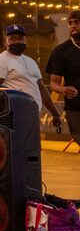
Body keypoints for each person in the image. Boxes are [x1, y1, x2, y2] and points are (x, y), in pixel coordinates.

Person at [0, 25, 61, 129]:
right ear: (5, 41)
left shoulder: (31, 61)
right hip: (13, 116)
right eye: (13, 38)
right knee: (16, 140)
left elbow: (41, 88)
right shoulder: (0, 61)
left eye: (21, 38)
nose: (17, 41)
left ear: (26, 40)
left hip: (33, 114)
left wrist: (55, 113)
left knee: (32, 140)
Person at [47, 11, 80, 146]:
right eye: (70, 23)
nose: (73, 26)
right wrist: (63, 89)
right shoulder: (60, 51)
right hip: (75, 107)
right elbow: (53, 83)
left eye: (77, 22)